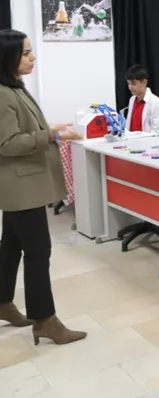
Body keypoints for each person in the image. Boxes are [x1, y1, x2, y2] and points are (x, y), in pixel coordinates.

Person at [0, 29, 87, 345]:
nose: (32, 57)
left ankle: (2, 302)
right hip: (22, 188)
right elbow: (8, 144)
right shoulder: (3, 94)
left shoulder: (15, 87)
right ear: (7, 57)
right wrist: (48, 134)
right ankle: (45, 320)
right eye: (25, 53)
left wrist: (54, 133)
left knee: (10, 246)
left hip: (21, 186)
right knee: (38, 252)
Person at [124, 64, 159, 137]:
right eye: (128, 83)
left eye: (133, 84)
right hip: (131, 141)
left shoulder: (155, 102)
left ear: (144, 82)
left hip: (148, 142)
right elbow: (129, 126)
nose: (130, 87)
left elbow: (157, 131)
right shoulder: (132, 100)